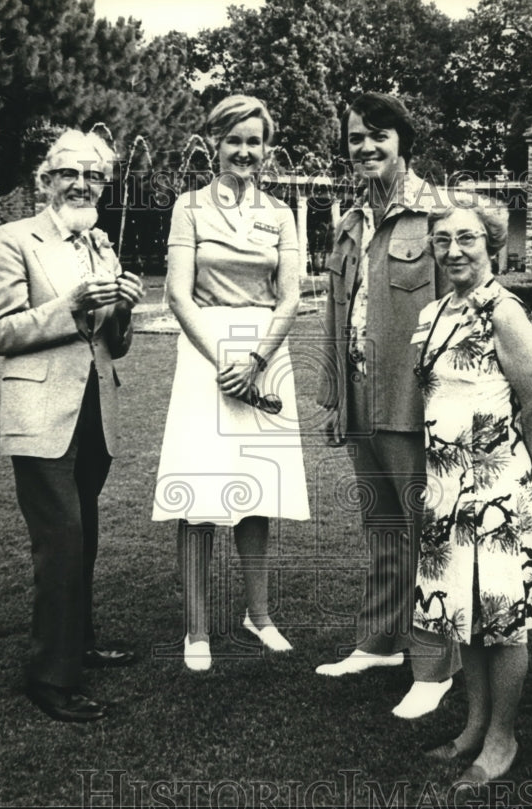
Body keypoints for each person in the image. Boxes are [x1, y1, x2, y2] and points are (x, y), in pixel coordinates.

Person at [0, 128, 146, 722]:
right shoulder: (12, 238)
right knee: (61, 542)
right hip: (39, 414)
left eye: (94, 176)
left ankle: (77, 642)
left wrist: (123, 306)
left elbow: (114, 347)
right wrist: (71, 303)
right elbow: (0, 333)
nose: (81, 184)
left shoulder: (101, 244)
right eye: (69, 174)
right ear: (46, 180)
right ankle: (51, 678)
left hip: (93, 413)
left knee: (84, 539)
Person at [152, 95, 310, 672]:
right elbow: (177, 294)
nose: (245, 151)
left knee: (256, 489)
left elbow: (290, 295)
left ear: (266, 148)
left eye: (255, 141)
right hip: (205, 356)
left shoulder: (280, 213)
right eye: (234, 140)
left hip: (266, 351)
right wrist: (225, 360)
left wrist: (258, 359)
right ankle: (196, 629)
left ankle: (258, 615)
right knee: (198, 493)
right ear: (214, 144)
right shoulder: (188, 208)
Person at [401, 201, 532, 785]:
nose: (454, 250)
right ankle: (474, 724)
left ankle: (501, 739)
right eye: (442, 241)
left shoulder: (504, 310)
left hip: (498, 489)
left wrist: (528, 480)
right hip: (445, 487)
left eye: (467, 238)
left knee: (502, 613)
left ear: (491, 243)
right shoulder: (438, 311)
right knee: (463, 608)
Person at [315, 92, 449, 677]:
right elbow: (335, 315)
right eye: (354, 138)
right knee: (382, 527)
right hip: (362, 399)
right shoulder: (349, 223)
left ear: (402, 142)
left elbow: (463, 313)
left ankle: (436, 665)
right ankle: (379, 643)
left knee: (428, 531)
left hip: (415, 400)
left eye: (379, 135)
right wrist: (335, 398)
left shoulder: (439, 216)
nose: (366, 146)